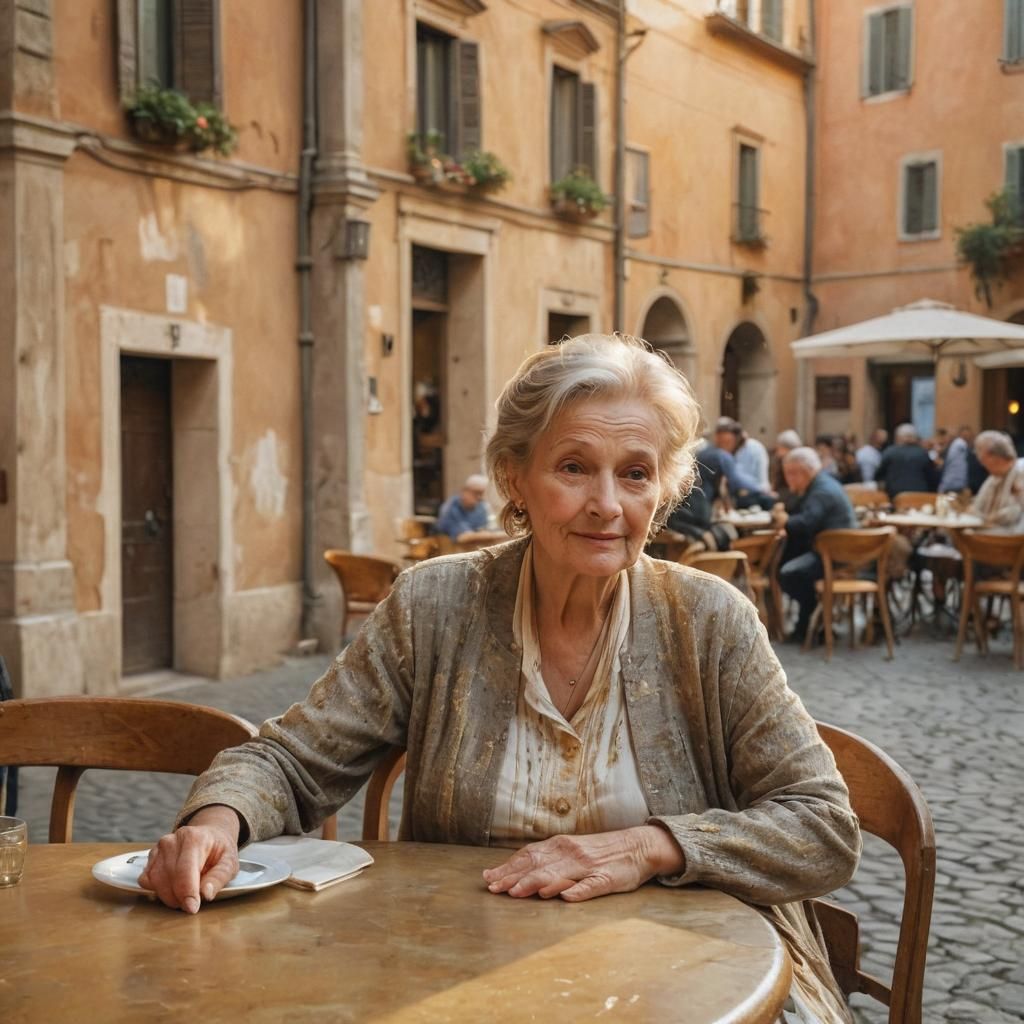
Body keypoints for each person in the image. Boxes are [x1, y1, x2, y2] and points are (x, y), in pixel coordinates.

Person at [141, 335, 860, 1023]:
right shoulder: (435, 605)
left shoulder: (708, 619)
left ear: (664, 489)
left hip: (695, 982)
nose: (607, 503)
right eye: (574, 467)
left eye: (635, 473)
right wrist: (217, 824)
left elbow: (822, 826)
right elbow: (292, 760)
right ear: (516, 477)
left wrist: (651, 847)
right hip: (461, 975)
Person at [772, 447, 857, 643]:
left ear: (804, 471)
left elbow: (806, 523)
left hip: (836, 555)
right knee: (789, 561)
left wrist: (785, 521)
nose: (788, 479)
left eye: (791, 474)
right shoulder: (819, 484)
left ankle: (813, 619)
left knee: (789, 573)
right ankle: (809, 622)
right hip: (831, 550)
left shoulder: (822, 490)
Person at [970, 430, 1024, 533]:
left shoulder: (1021, 470)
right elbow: (978, 506)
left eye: (982, 459)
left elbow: (1017, 512)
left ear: (993, 457)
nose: (981, 464)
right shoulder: (994, 478)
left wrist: (993, 518)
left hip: (1012, 538)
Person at [874, 423, 939, 498]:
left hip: (896, 496)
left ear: (898, 437)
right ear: (915, 438)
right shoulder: (922, 453)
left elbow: (878, 475)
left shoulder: (890, 452)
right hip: (920, 495)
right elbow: (932, 477)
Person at [713, 416, 771, 491]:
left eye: (726, 443)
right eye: (720, 444)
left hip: (756, 492)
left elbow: (762, 484)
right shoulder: (720, 453)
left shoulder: (755, 448)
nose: (723, 447)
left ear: (736, 438)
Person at [434, 474, 492, 540]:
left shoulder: (481, 508)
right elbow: (462, 538)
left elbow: (483, 529)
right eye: (476, 493)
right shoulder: (451, 506)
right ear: (465, 491)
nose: (480, 497)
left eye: (482, 493)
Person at [938, 426, 973, 493]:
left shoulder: (959, 445)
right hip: (955, 484)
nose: (967, 438)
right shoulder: (958, 445)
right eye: (964, 436)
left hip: (955, 484)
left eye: (968, 436)